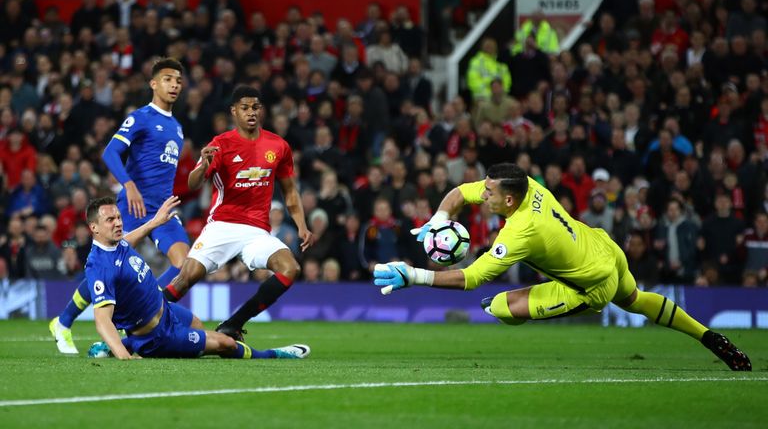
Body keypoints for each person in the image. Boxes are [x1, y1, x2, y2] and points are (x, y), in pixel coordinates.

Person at [373, 163, 751, 371]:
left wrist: (415, 275)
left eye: (488, 193)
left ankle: (518, 305)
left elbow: (471, 277)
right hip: (604, 247)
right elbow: (459, 193)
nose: (481, 194)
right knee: (636, 298)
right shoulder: (528, 186)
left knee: (502, 308)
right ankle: (709, 338)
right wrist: (440, 217)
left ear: (507, 198)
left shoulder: (521, 231)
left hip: (591, 285)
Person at [49, 58, 192, 354]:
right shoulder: (140, 117)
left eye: (178, 80)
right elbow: (110, 152)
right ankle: (63, 323)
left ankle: (154, 305)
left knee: (186, 265)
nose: (174, 85)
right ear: (153, 84)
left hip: (162, 210)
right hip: (133, 205)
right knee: (106, 266)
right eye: (167, 79)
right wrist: (128, 184)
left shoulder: (177, 128)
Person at [161, 85, 313, 342]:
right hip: (222, 224)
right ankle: (141, 320)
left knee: (289, 268)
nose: (251, 112)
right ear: (234, 112)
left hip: (257, 231)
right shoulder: (220, 144)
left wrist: (301, 225)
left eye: (255, 107)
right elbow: (193, 183)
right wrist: (204, 165)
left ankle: (232, 325)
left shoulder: (278, 146)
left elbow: (290, 191)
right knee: (187, 277)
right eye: (245, 108)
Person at [85, 195, 309, 360]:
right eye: (110, 220)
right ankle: (273, 355)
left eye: (118, 217)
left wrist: (156, 221)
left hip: (167, 311)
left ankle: (123, 344)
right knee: (227, 343)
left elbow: (128, 240)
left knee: (197, 325)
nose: (118, 223)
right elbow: (102, 319)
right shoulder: (100, 267)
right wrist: (125, 357)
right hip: (157, 335)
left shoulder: (116, 244)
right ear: (94, 227)